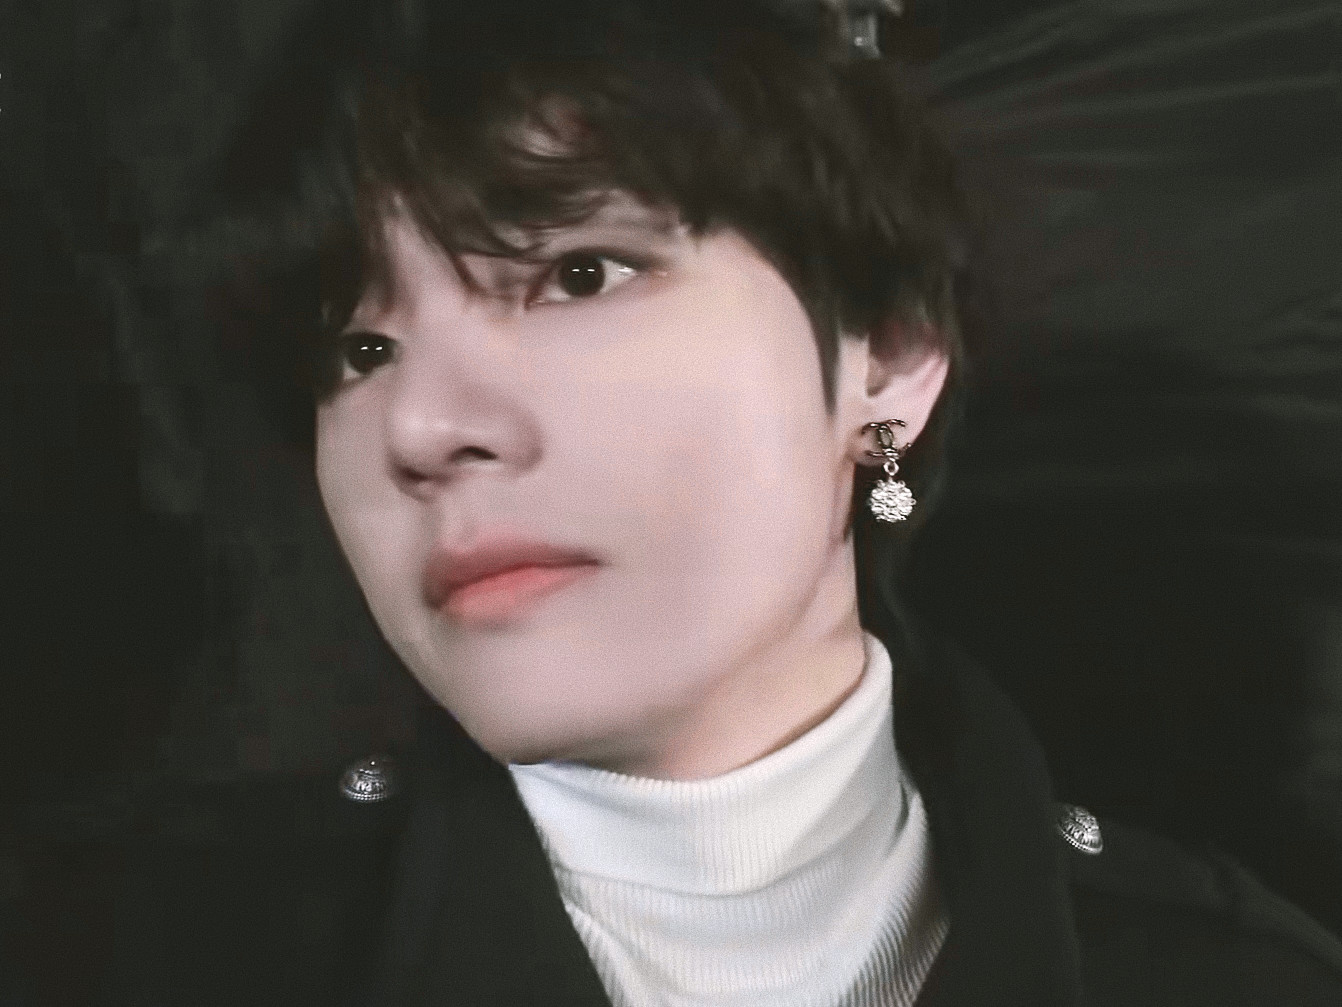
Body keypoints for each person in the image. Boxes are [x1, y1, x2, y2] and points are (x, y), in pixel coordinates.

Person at [4, 1, 1341, 1004]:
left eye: (578, 274)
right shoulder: (115, 947)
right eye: (356, 351)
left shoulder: (1236, 979)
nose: (419, 427)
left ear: (886, 359)